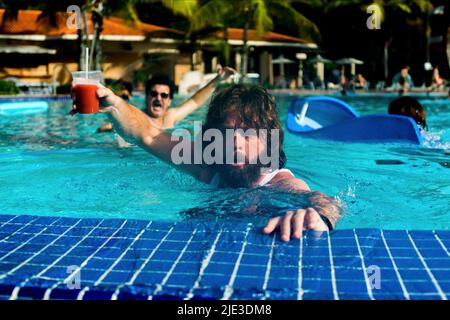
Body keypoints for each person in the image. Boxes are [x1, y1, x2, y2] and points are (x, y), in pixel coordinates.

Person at [71, 84, 341, 241]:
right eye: (226, 131)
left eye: (249, 132)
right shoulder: (206, 167)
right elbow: (149, 134)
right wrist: (115, 104)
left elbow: (327, 202)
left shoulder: (280, 183)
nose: (236, 142)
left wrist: (319, 217)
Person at [96, 67, 236, 133]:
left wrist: (218, 79)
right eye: (154, 94)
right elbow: (106, 127)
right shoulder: (137, 116)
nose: (158, 98)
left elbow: (195, 102)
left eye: (164, 95)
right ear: (147, 97)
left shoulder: (171, 116)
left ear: (169, 101)